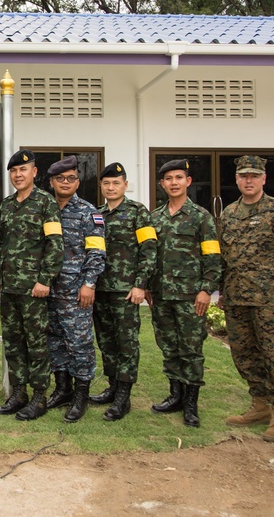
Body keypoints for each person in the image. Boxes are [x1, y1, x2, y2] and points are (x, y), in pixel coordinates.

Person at [218, 155, 274, 442]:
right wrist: (221, 291)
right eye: (244, 176)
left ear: (264, 179)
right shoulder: (229, 213)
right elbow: (223, 258)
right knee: (243, 353)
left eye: (254, 175)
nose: (249, 180)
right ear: (237, 179)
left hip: (271, 299)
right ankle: (260, 404)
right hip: (236, 298)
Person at [0, 149, 64, 421]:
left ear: (34, 172)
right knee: (14, 342)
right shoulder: (7, 205)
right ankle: (18, 393)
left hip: (34, 289)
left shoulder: (46, 203)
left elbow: (55, 245)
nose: (18, 175)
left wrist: (45, 280)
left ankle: (40, 397)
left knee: (37, 343)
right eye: (14, 171)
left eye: (23, 170)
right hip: (9, 287)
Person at [148, 159, 221, 427]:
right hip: (162, 295)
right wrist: (147, 285)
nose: (174, 182)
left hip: (191, 296)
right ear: (162, 184)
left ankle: (191, 404)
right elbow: (149, 255)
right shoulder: (154, 217)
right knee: (169, 347)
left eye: (179, 177)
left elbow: (212, 256)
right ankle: (175, 395)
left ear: (188, 182)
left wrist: (206, 289)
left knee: (191, 349)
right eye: (169, 179)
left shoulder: (201, 217)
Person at [92, 161, 157, 421]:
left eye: (116, 183)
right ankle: (113, 386)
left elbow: (149, 249)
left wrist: (140, 283)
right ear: (101, 187)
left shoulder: (138, 212)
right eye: (106, 183)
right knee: (106, 341)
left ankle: (124, 397)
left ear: (125, 185)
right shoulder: (97, 215)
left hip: (126, 291)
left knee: (126, 343)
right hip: (101, 290)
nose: (111, 187)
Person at [44, 155, 105, 422]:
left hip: (76, 292)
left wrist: (89, 284)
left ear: (78, 182)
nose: (65, 183)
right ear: (51, 182)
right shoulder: (44, 210)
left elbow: (96, 252)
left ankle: (81, 394)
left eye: (70, 179)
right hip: (48, 291)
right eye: (60, 178)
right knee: (55, 341)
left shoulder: (88, 212)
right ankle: (62, 389)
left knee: (79, 344)